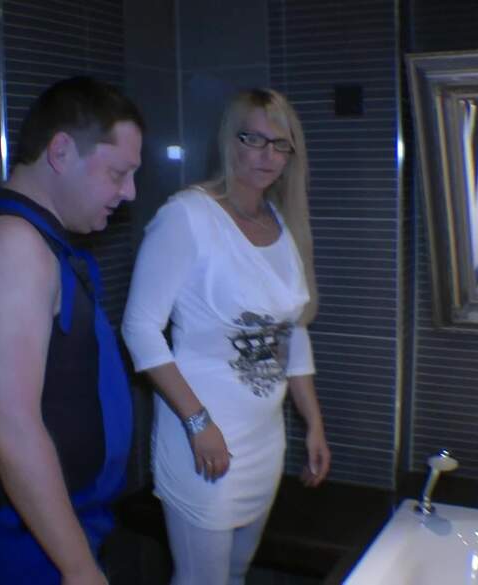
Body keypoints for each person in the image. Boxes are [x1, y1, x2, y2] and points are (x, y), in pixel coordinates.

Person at [0, 76, 143, 585]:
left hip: (55, 523)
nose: (129, 192)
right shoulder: (9, 245)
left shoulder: (41, 240)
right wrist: (78, 567)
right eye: (119, 173)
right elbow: (10, 428)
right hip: (17, 538)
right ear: (61, 151)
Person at [121, 88, 331, 585]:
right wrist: (198, 423)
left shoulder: (280, 221)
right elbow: (139, 328)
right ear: (228, 140)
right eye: (252, 138)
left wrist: (314, 423)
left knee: (236, 574)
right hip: (203, 438)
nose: (266, 154)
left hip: (264, 440)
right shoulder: (187, 216)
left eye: (279, 144)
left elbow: (292, 330)